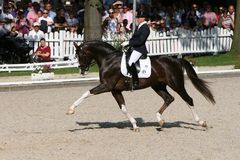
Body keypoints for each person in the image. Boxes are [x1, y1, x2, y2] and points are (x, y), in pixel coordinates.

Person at [121, 12, 150, 89]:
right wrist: (128, 42)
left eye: (139, 17)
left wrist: (129, 42)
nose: (137, 19)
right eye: (137, 17)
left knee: (131, 62)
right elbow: (135, 38)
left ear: (143, 18)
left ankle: (135, 82)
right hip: (134, 48)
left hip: (140, 49)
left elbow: (141, 41)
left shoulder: (145, 28)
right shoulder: (139, 27)